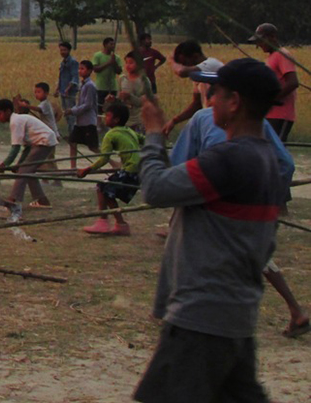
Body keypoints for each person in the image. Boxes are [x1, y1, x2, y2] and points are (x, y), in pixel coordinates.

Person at [132, 59, 286, 402]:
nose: (209, 98)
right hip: (235, 318)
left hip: (201, 320)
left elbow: (155, 189)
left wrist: (154, 133)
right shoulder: (268, 162)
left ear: (234, 102)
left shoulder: (227, 160)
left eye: (214, 92)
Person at [169, 76, 308, 340]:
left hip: (213, 204)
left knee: (192, 246)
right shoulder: (258, 124)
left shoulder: (201, 119)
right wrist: (268, 198)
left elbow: (177, 168)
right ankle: (294, 310)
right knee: (253, 257)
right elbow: (285, 165)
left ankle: (183, 313)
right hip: (238, 205)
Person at [77, 103, 142, 236]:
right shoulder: (129, 130)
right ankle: (119, 224)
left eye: (107, 116)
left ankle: (105, 222)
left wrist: (87, 169)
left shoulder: (110, 134)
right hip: (139, 170)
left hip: (130, 170)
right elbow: (144, 139)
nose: (105, 118)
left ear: (116, 119)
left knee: (103, 187)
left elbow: (104, 159)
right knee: (105, 189)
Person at [0, 98, 58, 208]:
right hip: (43, 141)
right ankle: (42, 200)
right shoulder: (17, 120)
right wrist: (19, 164)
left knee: (24, 171)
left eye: (0, 113)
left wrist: (4, 165)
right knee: (28, 171)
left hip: (44, 141)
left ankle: (13, 199)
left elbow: (15, 149)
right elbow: (27, 148)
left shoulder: (15, 122)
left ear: (8, 111)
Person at [162, 39, 225, 136]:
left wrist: (171, 62)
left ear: (195, 56)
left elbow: (182, 72)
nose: (184, 66)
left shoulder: (211, 64)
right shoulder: (198, 73)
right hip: (211, 119)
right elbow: (197, 104)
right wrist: (174, 120)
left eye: (185, 63)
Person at [252, 23, 299, 142]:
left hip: (281, 114)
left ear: (272, 37)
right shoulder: (272, 57)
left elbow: (292, 82)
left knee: (276, 150)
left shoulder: (282, 54)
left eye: (261, 41)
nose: (259, 45)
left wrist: (271, 99)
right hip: (270, 114)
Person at [66, 60, 100, 170]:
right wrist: (72, 110)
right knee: (72, 142)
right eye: (79, 68)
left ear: (90, 71)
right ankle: (73, 167)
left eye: (83, 69)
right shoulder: (83, 84)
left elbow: (88, 105)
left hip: (88, 121)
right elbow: (80, 103)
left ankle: (112, 162)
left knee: (93, 147)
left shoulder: (90, 86)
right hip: (80, 121)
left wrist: (73, 111)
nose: (80, 71)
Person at [117, 51, 154, 133]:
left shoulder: (144, 81)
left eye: (131, 63)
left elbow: (144, 102)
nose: (128, 65)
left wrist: (130, 97)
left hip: (139, 120)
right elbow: (118, 98)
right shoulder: (122, 79)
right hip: (125, 119)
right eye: (126, 63)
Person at [91, 37, 121, 114]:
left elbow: (119, 71)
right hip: (100, 87)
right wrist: (109, 63)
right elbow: (96, 69)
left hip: (112, 87)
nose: (113, 46)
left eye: (114, 44)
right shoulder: (98, 56)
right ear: (105, 45)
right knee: (99, 108)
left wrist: (114, 63)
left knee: (112, 109)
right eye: (111, 44)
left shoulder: (116, 57)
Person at [57, 41, 79, 131]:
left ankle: (73, 131)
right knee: (65, 111)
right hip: (63, 91)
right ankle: (70, 130)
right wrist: (57, 89)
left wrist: (67, 89)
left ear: (69, 50)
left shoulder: (73, 62)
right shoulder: (63, 62)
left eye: (64, 50)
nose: (62, 52)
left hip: (70, 92)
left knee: (71, 111)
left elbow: (74, 77)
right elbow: (61, 77)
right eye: (61, 50)